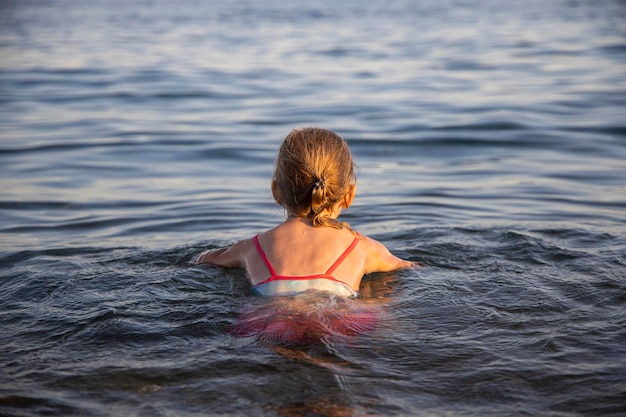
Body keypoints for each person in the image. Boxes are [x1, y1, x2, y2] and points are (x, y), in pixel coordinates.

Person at [194, 127, 414, 297]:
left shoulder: (250, 248)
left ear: (275, 192)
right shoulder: (365, 248)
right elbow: (409, 269)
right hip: (340, 318)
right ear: (349, 194)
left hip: (268, 318)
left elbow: (205, 260)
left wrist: (202, 256)